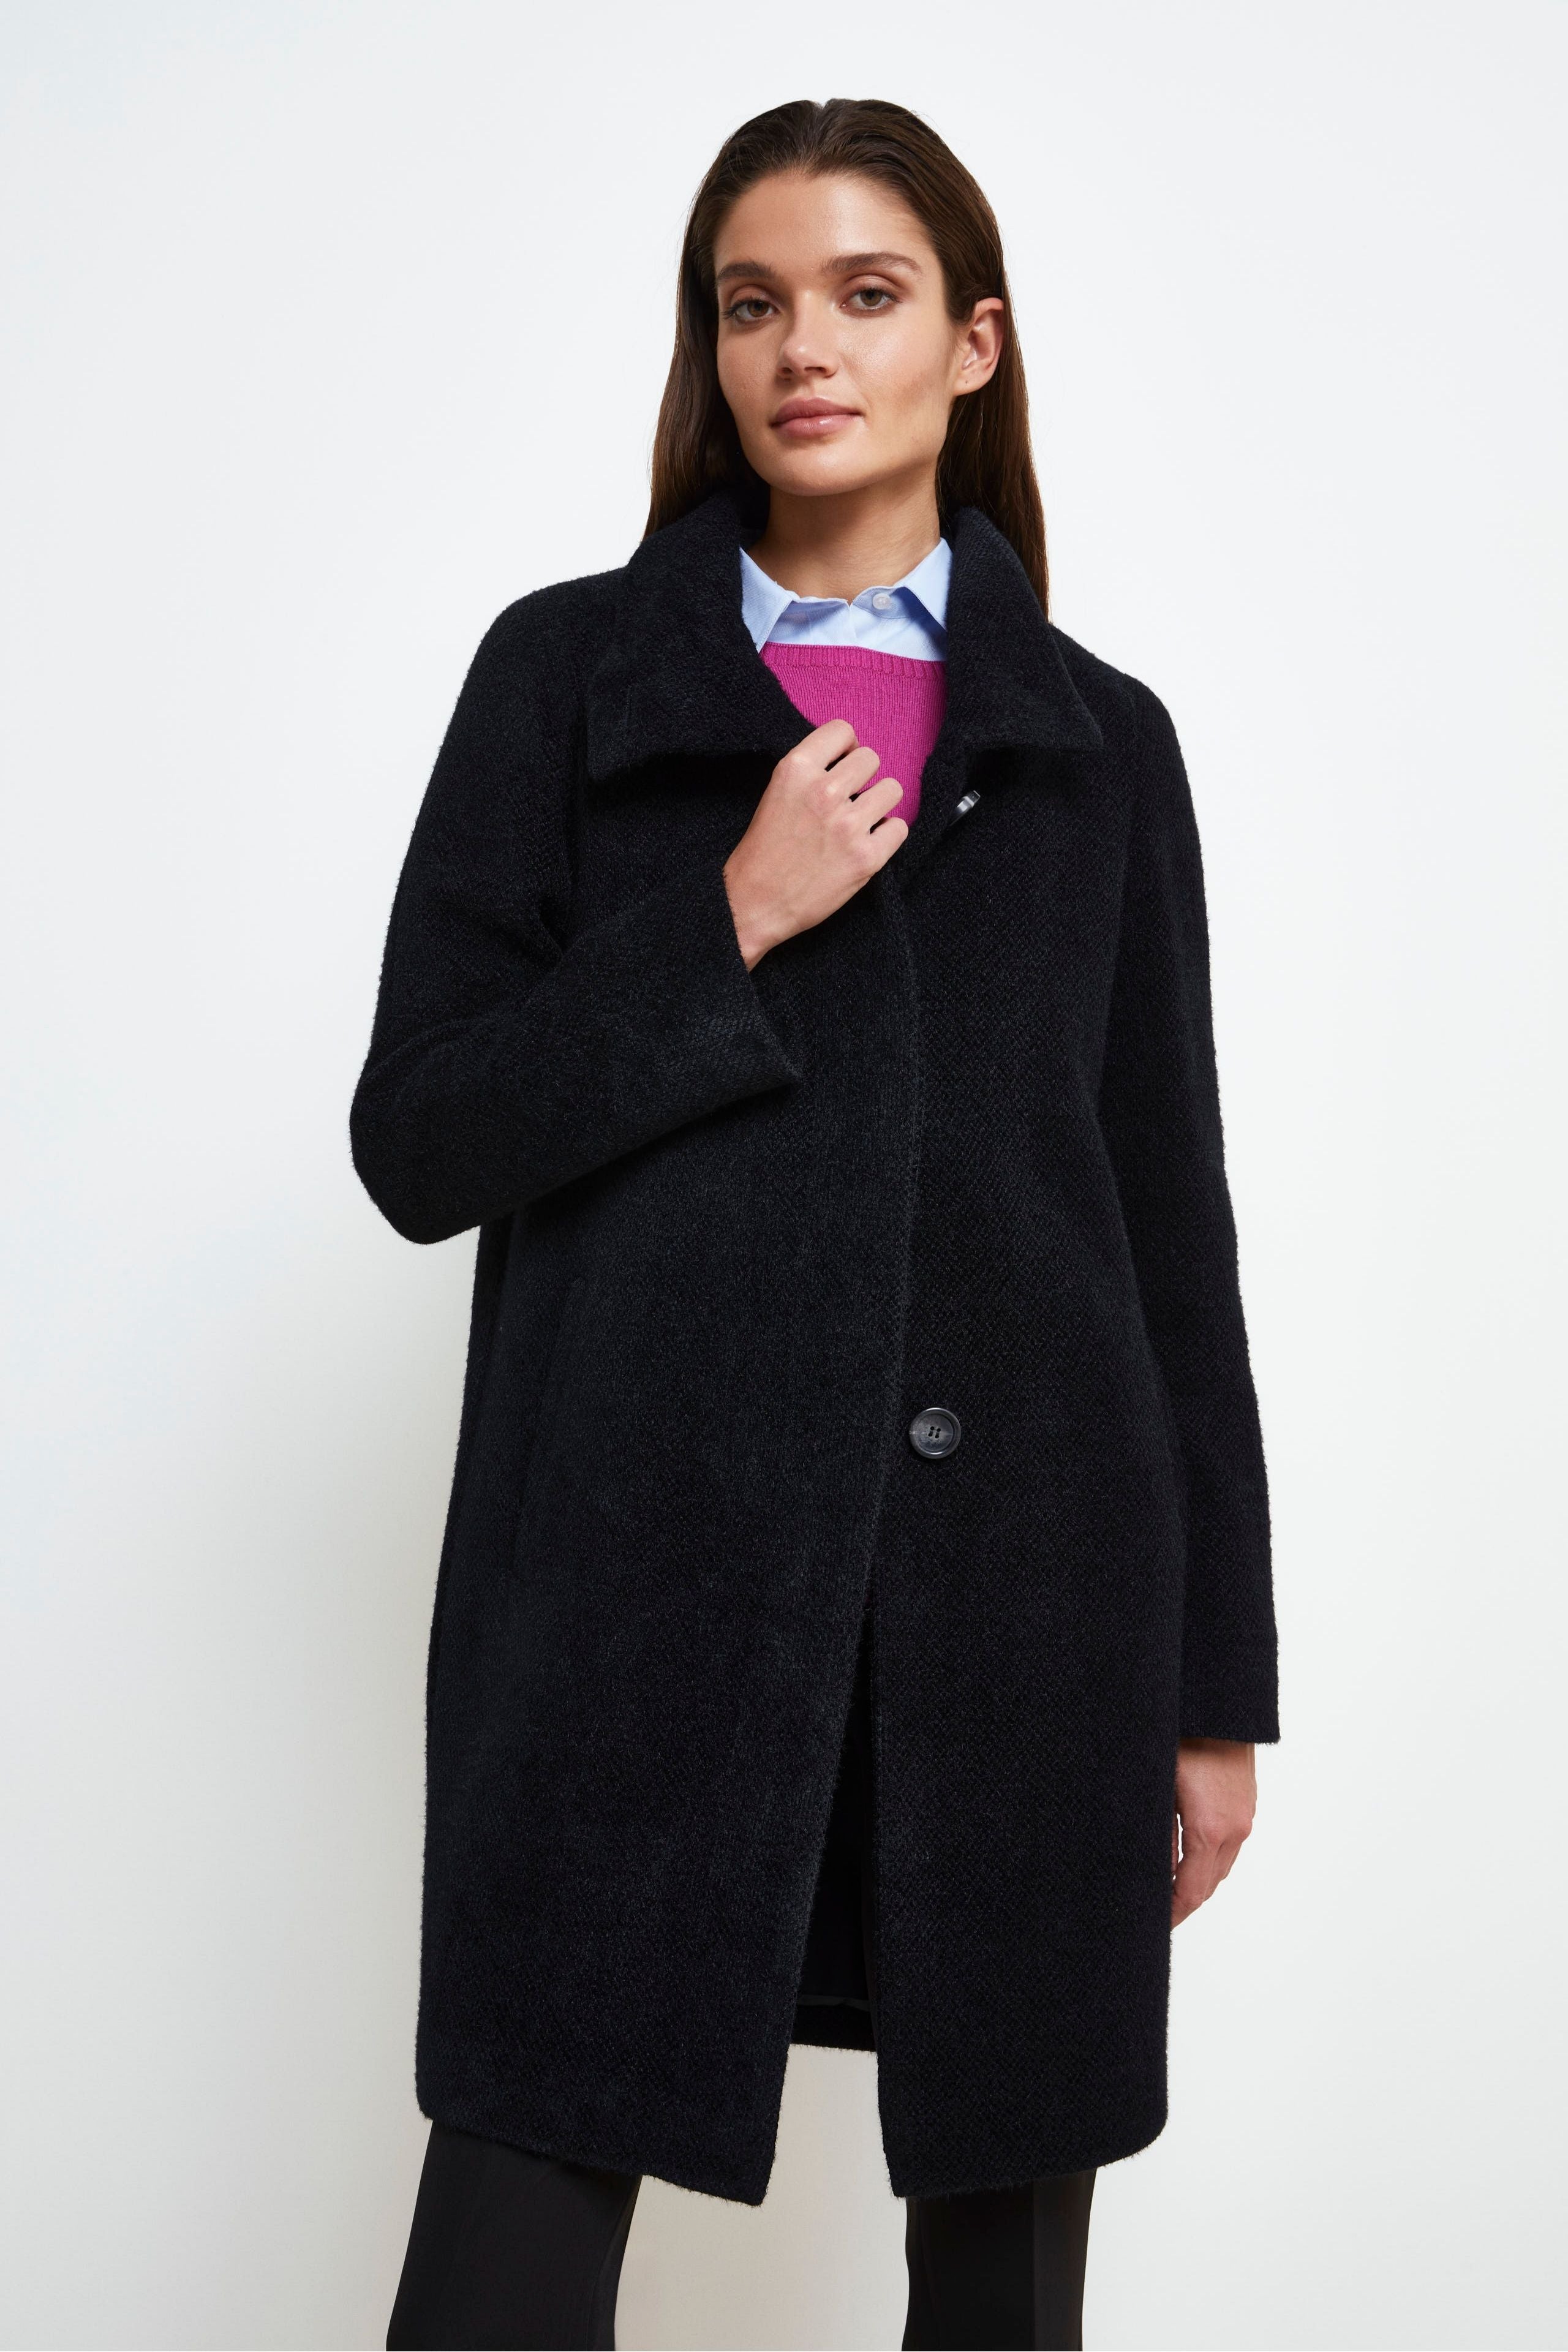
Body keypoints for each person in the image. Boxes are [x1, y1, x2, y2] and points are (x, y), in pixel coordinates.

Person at [353, 96, 1277, 2352]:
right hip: (635, 1588)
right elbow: (421, 1140)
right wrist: (728, 920)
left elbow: (1169, 1225)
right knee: (510, 2240)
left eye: (868, 296)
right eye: (751, 302)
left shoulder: (1103, 742)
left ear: (974, 343)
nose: (804, 350)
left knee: (1005, 2261)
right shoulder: (567, 679)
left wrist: (1212, 1687)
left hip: (1029, 1600)